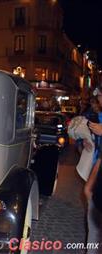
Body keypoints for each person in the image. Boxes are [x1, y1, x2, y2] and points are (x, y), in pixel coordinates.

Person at [84, 87, 102, 252]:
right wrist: (84, 141)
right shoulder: (95, 116)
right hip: (98, 171)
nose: (99, 99)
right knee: (94, 229)